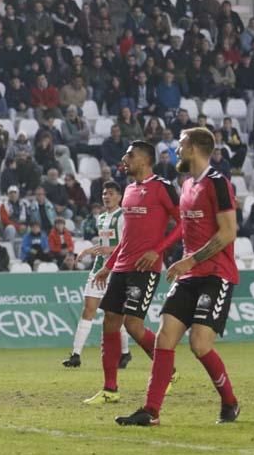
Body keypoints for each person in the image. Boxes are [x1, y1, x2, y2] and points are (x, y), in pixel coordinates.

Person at [116, 128, 240, 426]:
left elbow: (228, 232)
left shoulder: (218, 183)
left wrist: (190, 261)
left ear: (196, 148)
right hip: (189, 274)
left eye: (181, 144)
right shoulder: (185, 185)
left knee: (199, 344)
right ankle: (151, 411)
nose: (176, 149)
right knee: (164, 338)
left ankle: (230, 402)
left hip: (216, 274)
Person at [85, 141, 182, 406]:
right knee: (110, 323)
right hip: (122, 265)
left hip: (145, 268)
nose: (125, 159)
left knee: (133, 324)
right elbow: (127, 238)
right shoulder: (128, 190)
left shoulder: (162, 187)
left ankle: (168, 371)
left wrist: (157, 251)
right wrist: (109, 265)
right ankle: (110, 389)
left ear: (146, 160)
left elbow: (182, 223)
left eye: (131, 155)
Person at [63, 181, 131, 368]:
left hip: (116, 270)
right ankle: (75, 355)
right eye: (104, 193)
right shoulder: (100, 218)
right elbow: (103, 246)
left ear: (119, 196)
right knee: (88, 310)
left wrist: (108, 249)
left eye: (110, 193)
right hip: (98, 269)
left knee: (114, 314)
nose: (106, 197)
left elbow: (128, 245)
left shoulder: (123, 217)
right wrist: (88, 251)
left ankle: (125, 352)